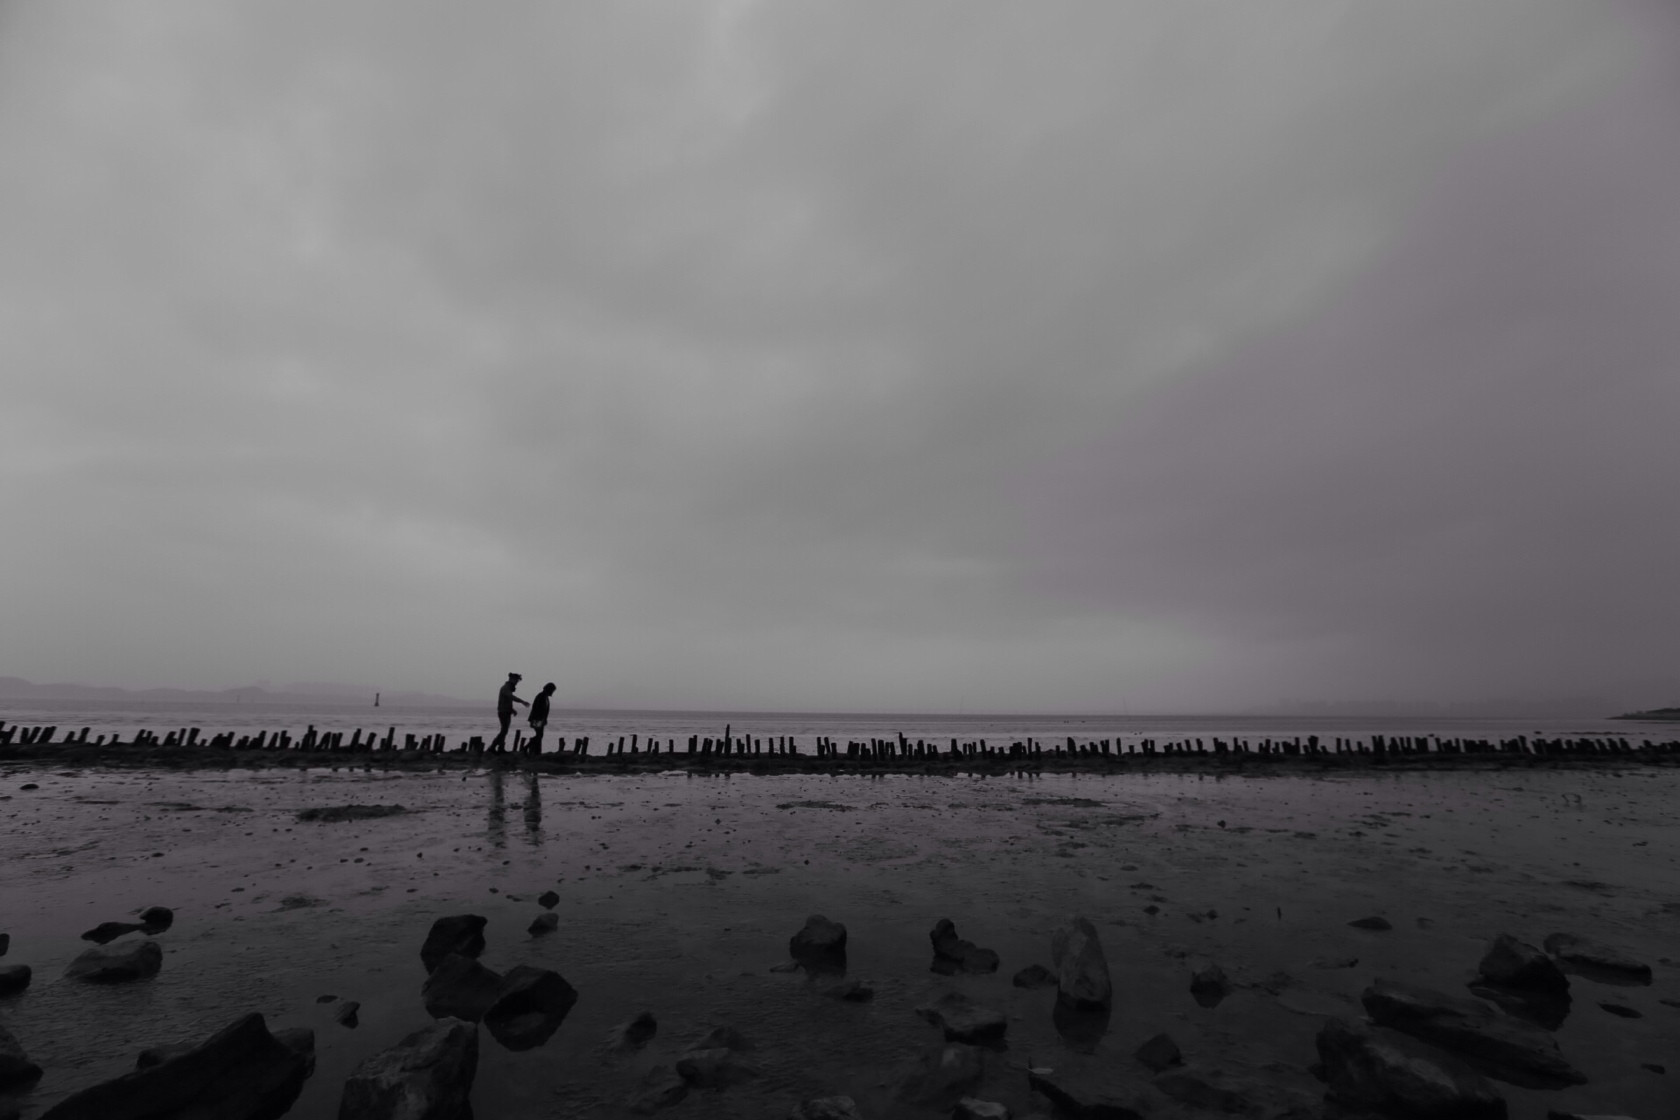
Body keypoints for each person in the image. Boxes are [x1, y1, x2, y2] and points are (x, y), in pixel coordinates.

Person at [489, 672, 527, 753]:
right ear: (511, 679)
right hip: (503, 712)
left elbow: (507, 701)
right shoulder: (505, 688)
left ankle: (500, 748)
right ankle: (492, 747)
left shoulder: (508, 688)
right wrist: (522, 701)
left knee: (504, 731)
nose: (516, 683)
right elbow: (511, 697)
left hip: (506, 712)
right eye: (516, 681)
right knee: (504, 731)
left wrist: (512, 710)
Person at [526, 682, 556, 755]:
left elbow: (545, 711)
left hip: (540, 720)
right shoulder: (541, 696)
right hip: (536, 719)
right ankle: (526, 748)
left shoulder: (545, 697)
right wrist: (540, 720)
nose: (552, 692)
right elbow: (537, 709)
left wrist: (544, 719)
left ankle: (535, 751)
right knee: (539, 735)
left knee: (540, 735)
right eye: (552, 690)